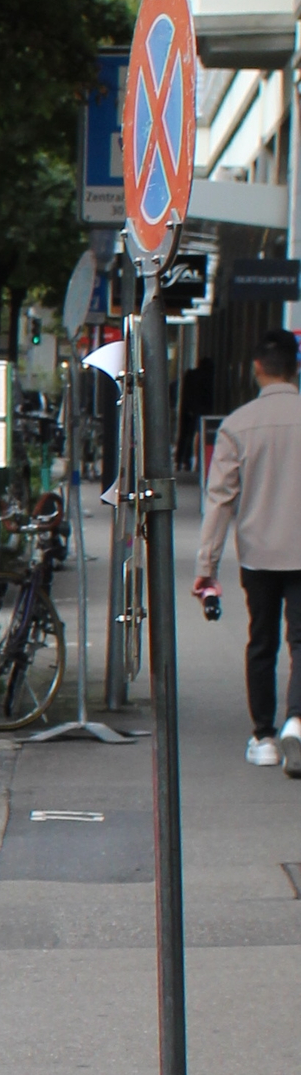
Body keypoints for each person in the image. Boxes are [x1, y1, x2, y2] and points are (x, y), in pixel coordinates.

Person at [193, 328, 301, 766]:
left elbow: (220, 499)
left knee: (262, 641)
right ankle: (298, 719)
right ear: (296, 368)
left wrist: (207, 565)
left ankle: (265, 739)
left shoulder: (237, 425)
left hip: (257, 555)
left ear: (257, 368)